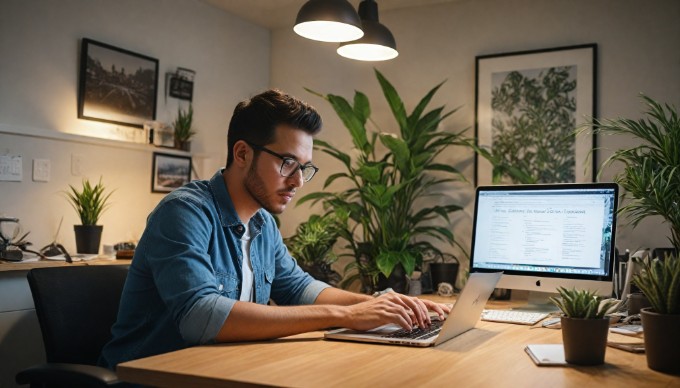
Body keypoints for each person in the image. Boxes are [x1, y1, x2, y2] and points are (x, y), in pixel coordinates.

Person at [99, 89, 449, 369]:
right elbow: (200, 316)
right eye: (287, 163)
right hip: (150, 378)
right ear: (241, 154)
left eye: (305, 168)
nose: (298, 181)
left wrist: (389, 305)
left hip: (222, 373)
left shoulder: (263, 223)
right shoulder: (185, 212)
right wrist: (347, 315)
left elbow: (300, 288)